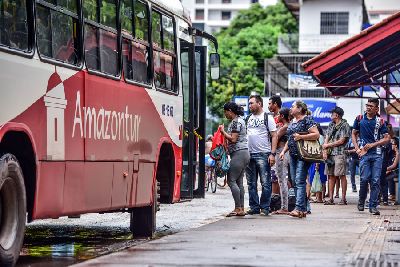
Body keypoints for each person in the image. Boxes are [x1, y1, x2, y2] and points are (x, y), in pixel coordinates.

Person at [279, 100, 320, 218]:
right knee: (294, 182)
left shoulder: (307, 119)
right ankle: (302, 209)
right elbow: (291, 139)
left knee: (299, 180)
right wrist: (283, 151)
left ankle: (299, 208)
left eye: (293, 107)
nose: (290, 109)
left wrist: (301, 136)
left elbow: (316, 134)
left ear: (299, 109)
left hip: (303, 155)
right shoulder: (292, 121)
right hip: (293, 155)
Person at [352, 98, 390, 215]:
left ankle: (373, 206)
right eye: (367, 105)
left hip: (377, 154)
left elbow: (387, 138)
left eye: (371, 106)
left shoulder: (381, 121)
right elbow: (353, 134)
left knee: (375, 180)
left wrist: (373, 144)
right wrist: (357, 148)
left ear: (376, 109)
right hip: (364, 154)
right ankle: (361, 200)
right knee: (364, 179)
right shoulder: (359, 119)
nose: (368, 107)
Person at [246, 95, 278, 216]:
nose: (250, 106)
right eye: (249, 103)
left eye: (252, 103)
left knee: (265, 182)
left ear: (259, 103)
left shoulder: (267, 117)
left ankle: (265, 207)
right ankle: (254, 207)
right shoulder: (248, 118)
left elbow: (274, 136)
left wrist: (272, 154)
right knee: (251, 183)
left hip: (263, 154)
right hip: (249, 154)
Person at [219, 102, 250, 217]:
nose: (225, 114)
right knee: (239, 182)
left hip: (239, 153)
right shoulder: (240, 120)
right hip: (243, 153)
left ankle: (238, 208)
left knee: (231, 180)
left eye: (225, 112)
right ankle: (241, 208)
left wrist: (223, 132)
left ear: (230, 111)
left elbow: (233, 139)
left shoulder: (236, 122)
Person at [322, 107, 351, 205]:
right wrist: (325, 150)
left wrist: (327, 145)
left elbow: (342, 141)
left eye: (332, 113)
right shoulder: (331, 124)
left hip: (340, 153)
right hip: (330, 154)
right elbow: (327, 137)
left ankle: (343, 198)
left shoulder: (345, 125)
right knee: (330, 176)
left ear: (336, 115)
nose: (331, 115)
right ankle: (330, 198)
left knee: (341, 175)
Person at [272, 107, 290, 215]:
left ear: (282, 116)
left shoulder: (284, 127)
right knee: (283, 180)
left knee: (282, 180)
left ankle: (284, 207)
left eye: (279, 115)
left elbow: (275, 137)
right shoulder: (287, 126)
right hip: (284, 152)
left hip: (281, 152)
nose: (277, 116)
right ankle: (285, 206)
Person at [269, 95, 283, 195]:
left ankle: (276, 200)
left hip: (279, 151)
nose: (268, 106)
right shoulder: (271, 117)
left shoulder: (281, 117)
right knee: (273, 178)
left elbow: (277, 135)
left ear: (275, 104)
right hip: (271, 150)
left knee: (277, 177)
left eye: (270, 103)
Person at [386, 137, 399, 203]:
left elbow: (394, 166)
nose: (391, 145)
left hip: (396, 172)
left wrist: (385, 169)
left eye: (392, 144)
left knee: (388, 178)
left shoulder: (398, 153)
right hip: (393, 171)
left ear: (396, 145)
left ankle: (392, 194)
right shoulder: (392, 153)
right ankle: (382, 195)